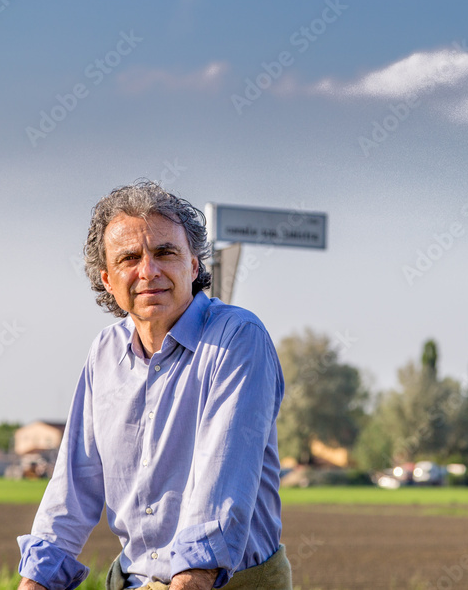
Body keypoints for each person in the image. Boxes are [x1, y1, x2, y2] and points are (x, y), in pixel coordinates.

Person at [16, 181, 289, 590]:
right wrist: (36, 581)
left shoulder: (238, 338)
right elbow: (73, 484)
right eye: (129, 258)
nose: (149, 271)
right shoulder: (104, 353)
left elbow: (220, 489)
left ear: (193, 266)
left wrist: (190, 580)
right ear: (108, 280)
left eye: (165, 252)